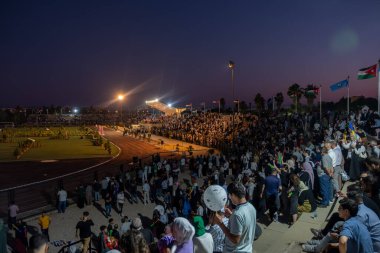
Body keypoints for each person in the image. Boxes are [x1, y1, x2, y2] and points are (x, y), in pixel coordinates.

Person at [213, 182, 256, 253]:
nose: (229, 198)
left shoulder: (237, 214)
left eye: (229, 195)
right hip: (247, 248)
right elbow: (245, 223)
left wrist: (220, 223)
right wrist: (231, 216)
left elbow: (235, 240)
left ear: (233, 195)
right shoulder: (251, 207)